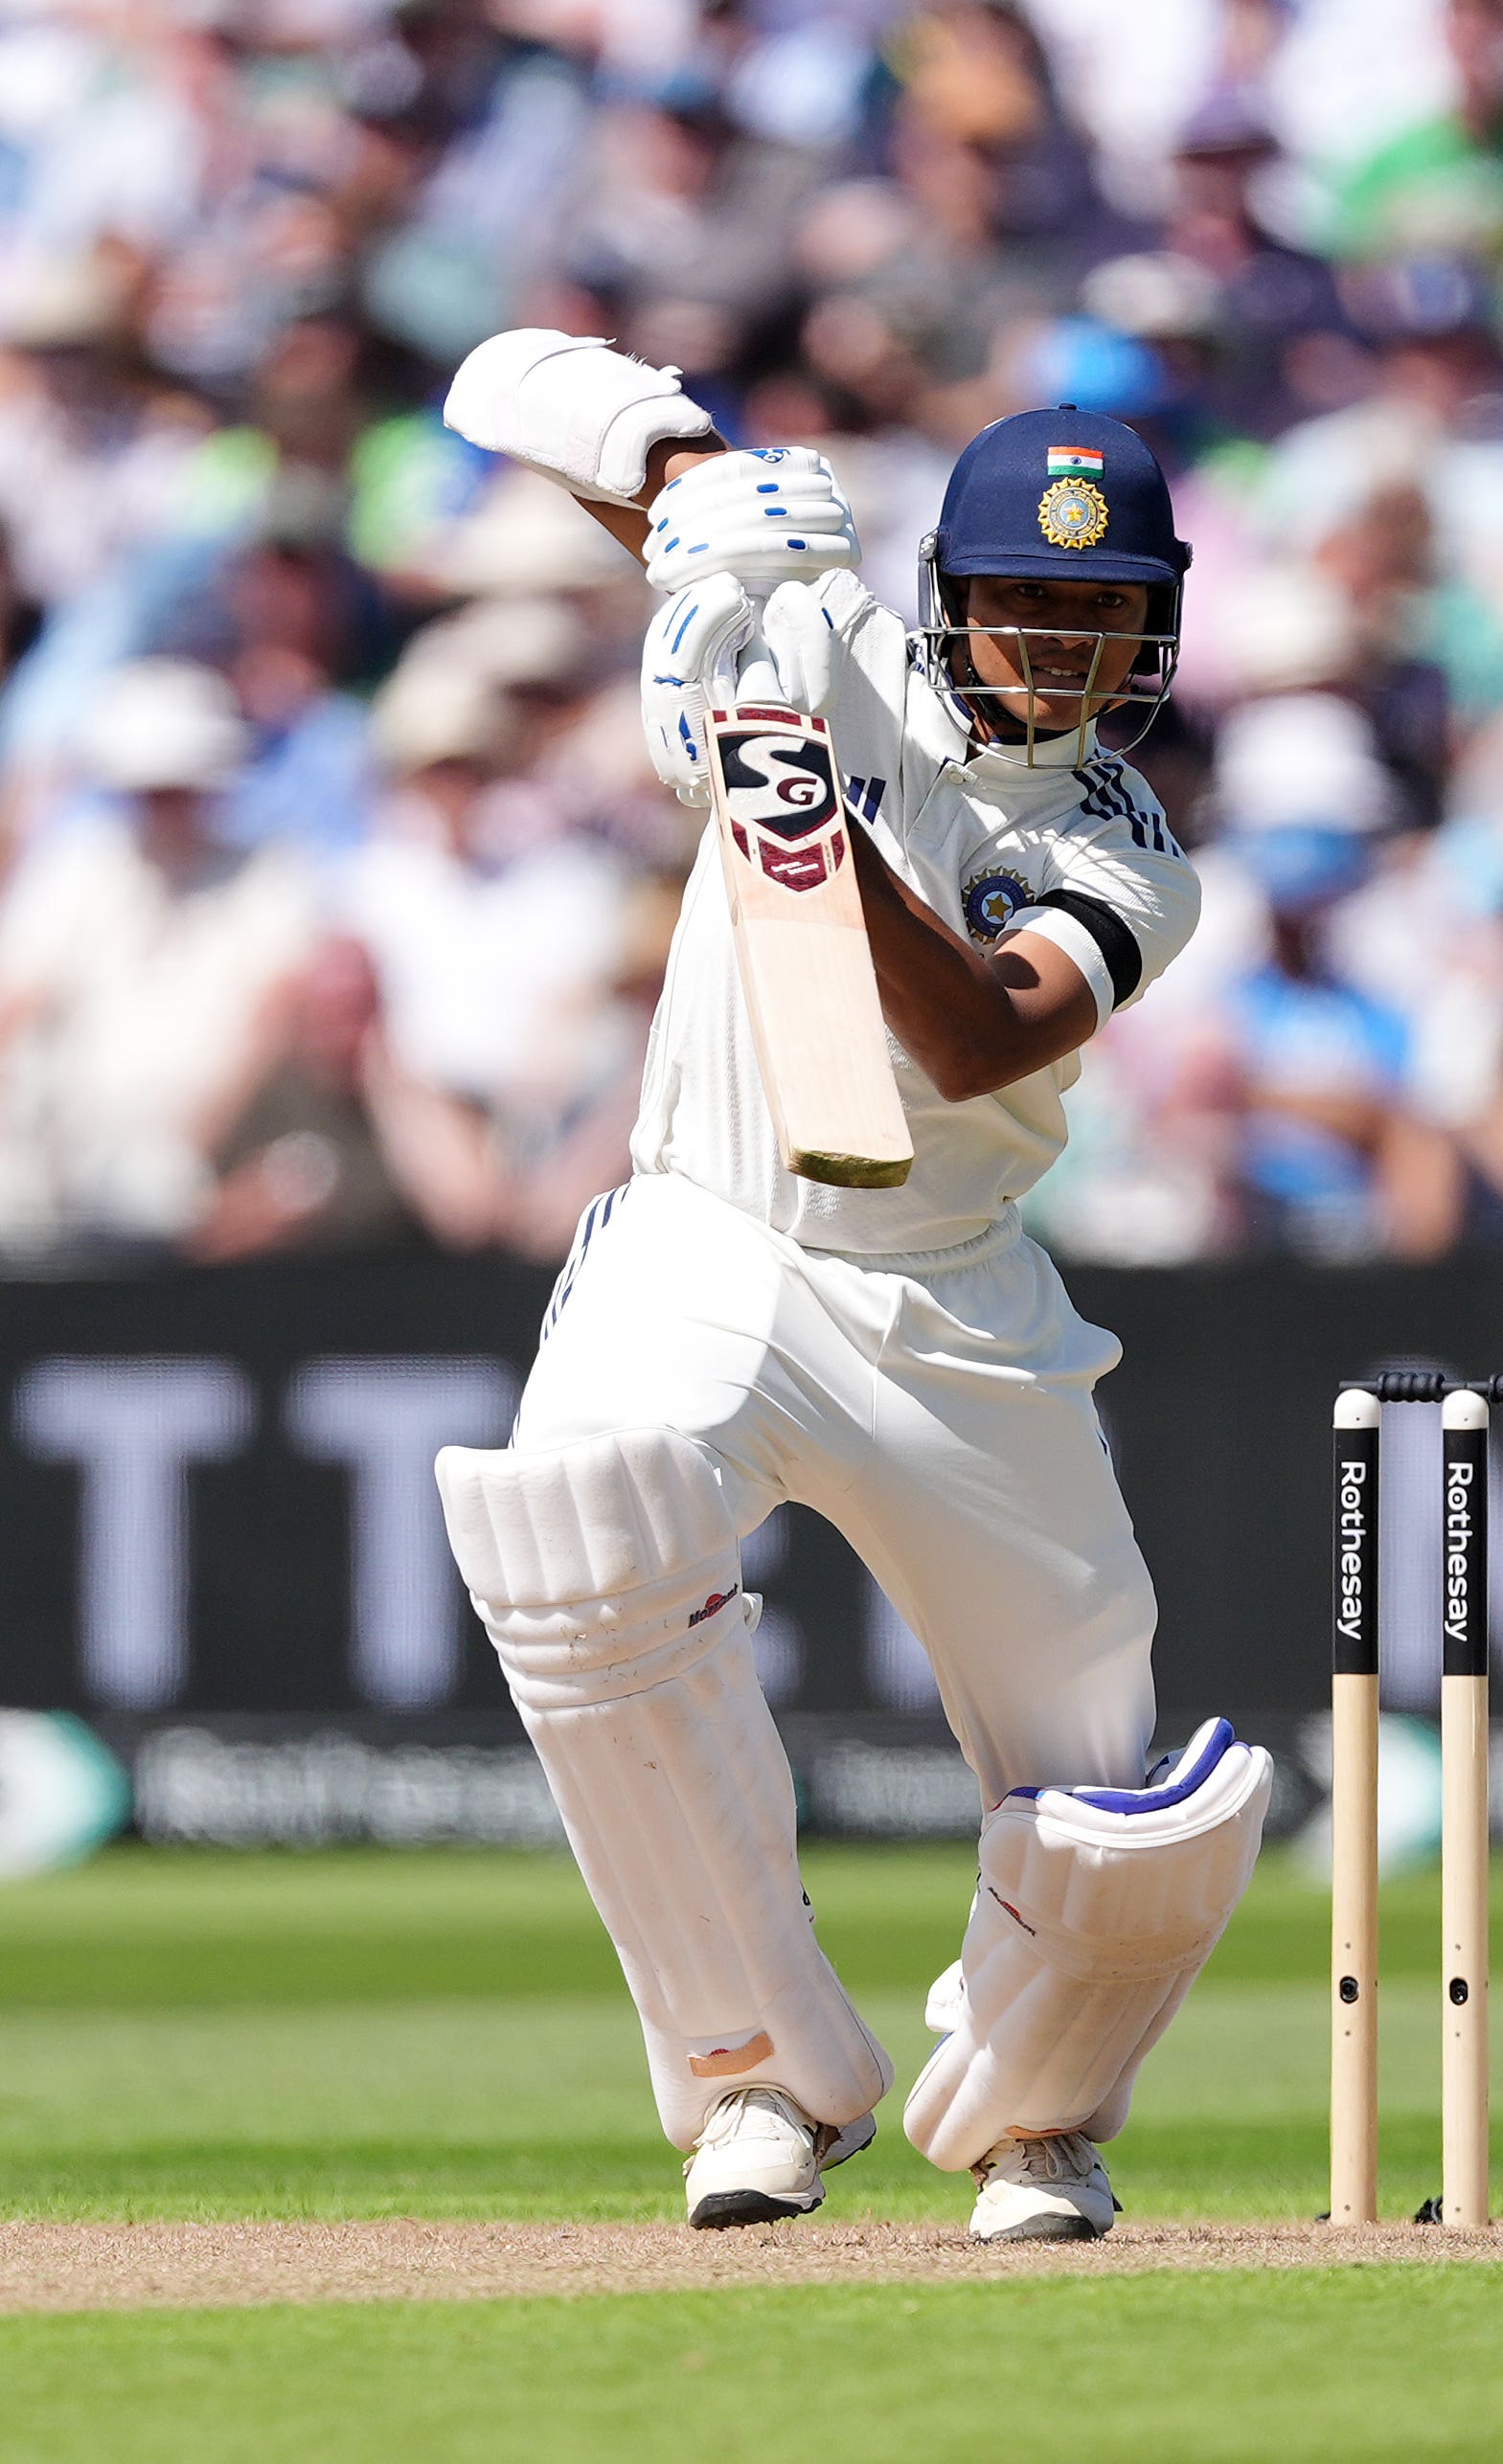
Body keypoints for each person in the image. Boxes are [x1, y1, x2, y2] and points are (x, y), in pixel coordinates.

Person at [425, 329, 1265, 2246]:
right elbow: (603, 455)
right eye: (1026, 606)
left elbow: (978, 1037)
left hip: (949, 1304)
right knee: (575, 1530)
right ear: (948, 600)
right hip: (711, 1230)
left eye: (1100, 615)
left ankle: (1038, 2122)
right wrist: (674, 476)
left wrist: (801, 814)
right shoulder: (816, 647)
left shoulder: (1123, 852)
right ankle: (753, 2095)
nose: (1058, 650)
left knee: (1103, 1796)